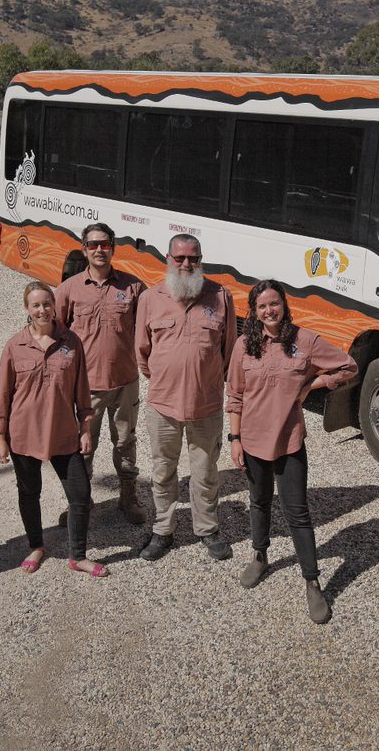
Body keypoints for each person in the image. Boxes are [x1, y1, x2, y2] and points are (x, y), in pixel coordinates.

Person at [226, 279, 357, 624]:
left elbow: (348, 366)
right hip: (252, 440)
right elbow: (235, 396)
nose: (270, 311)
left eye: (274, 304)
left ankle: (312, 581)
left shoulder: (305, 341)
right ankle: (260, 555)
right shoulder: (244, 345)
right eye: (262, 306)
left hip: (289, 442)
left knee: (297, 512)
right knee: (258, 502)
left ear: (284, 304)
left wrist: (312, 385)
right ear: (254, 312)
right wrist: (234, 439)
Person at [0, 281, 107, 577]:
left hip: (63, 434)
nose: (42, 310)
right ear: (27, 309)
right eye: (35, 305)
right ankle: (36, 546)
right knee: (29, 493)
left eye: (46, 304)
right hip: (23, 434)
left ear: (54, 306)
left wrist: (84, 429)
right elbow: (3, 394)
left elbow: (82, 390)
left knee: (80, 495)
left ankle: (77, 556)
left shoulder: (71, 342)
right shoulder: (15, 346)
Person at [135, 233, 236, 562]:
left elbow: (230, 351)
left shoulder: (220, 297)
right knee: (163, 471)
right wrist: (169, 378)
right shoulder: (151, 298)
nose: (186, 264)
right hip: (162, 405)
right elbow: (142, 353)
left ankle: (207, 529)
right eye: (179, 258)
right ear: (168, 258)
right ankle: (163, 529)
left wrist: (204, 382)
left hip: (205, 406)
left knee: (205, 471)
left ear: (201, 259)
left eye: (193, 258)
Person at [55, 222, 147, 524]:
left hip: (125, 382)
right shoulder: (69, 289)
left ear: (113, 248)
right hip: (86, 388)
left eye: (104, 244)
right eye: (92, 245)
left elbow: (149, 329)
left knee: (125, 442)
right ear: (84, 249)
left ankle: (128, 497)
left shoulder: (133, 287)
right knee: (83, 447)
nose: (98, 250)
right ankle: (81, 502)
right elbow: (56, 335)